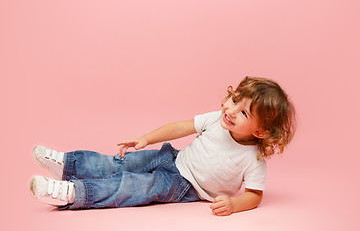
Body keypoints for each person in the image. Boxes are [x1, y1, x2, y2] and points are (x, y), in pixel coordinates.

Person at [30, 76, 296, 216]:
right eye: (235, 100)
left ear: (260, 131)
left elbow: (255, 195)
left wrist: (233, 204)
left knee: (132, 185)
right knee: (121, 162)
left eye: (244, 113)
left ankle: (73, 192)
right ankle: (68, 165)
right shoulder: (216, 119)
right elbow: (181, 126)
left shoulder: (253, 159)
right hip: (172, 158)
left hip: (184, 186)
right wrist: (146, 138)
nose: (231, 110)